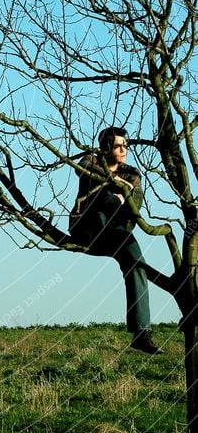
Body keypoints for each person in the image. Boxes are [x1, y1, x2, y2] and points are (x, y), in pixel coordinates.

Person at [69, 126, 163, 355]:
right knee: (103, 196)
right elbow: (85, 172)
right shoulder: (90, 160)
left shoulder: (131, 172)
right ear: (106, 147)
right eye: (118, 145)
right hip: (87, 228)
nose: (123, 150)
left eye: (126, 145)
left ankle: (141, 332)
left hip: (117, 231)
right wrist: (119, 190)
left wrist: (126, 194)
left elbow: (135, 205)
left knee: (136, 263)